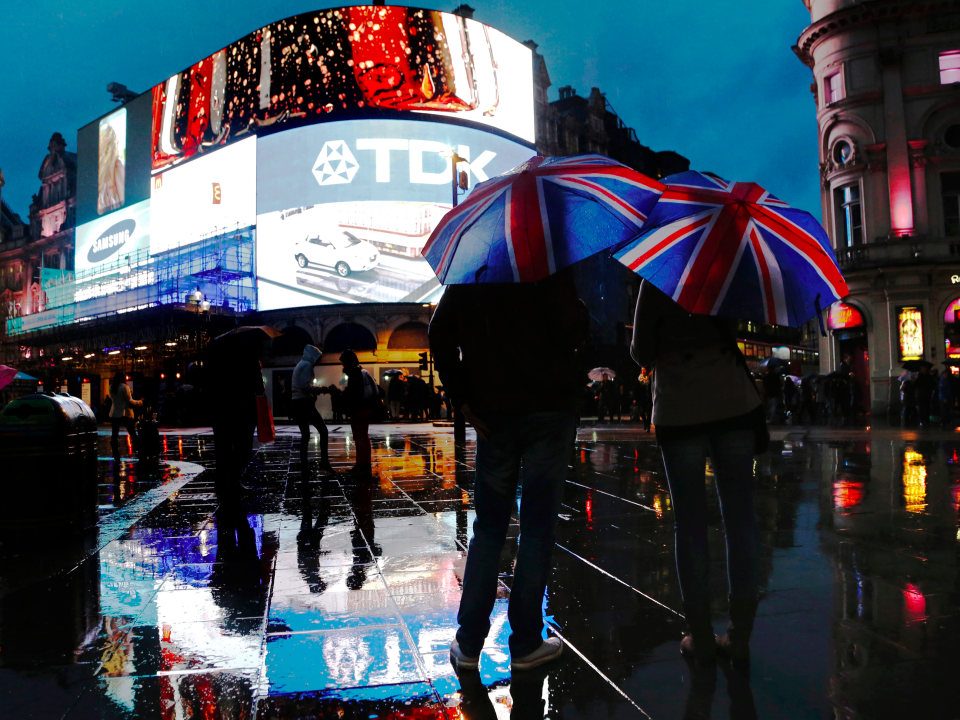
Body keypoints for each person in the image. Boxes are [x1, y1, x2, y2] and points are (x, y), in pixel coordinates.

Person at [429, 269, 589, 672]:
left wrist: (463, 397)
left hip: (494, 412)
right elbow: (573, 333)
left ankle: (467, 645)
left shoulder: (475, 271)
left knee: (489, 526)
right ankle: (526, 644)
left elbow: (440, 334)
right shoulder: (549, 266)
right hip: (550, 409)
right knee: (537, 527)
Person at [631, 280, 762, 666]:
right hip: (733, 403)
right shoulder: (727, 265)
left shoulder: (657, 272)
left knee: (689, 524)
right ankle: (739, 635)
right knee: (741, 520)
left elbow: (641, 349)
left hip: (679, 405)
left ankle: (701, 636)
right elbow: (734, 328)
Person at [205, 332, 265, 498]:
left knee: (222, 444)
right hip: (242, 404)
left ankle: (221, 481)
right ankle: (234, 479)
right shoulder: (248, 349)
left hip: (219, 404)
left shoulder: (215, 350)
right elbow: (258, 385)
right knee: (243, 444)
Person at [291, 344, 335, 475]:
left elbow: (300, 387)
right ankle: (324, 462)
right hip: (304, 404)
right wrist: (323, 389)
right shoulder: (307, 365)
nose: (318, 361)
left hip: (297, 404)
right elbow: (305, 386)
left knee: (305, 435)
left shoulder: (300, 364)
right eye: (317, 358)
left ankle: (304, 466)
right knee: (323, 430)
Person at [340, 350, 379, 475]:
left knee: (359, 437)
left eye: (344, 363)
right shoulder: (361, 371)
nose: (343, 366)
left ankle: (361, 465)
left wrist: (346, 400)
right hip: (366, 407)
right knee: (364, 436)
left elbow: (355, 394)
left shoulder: (354, 373)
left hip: (359, 409)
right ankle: (365, 463)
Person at [108, 370, 142, 459]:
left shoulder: (111, 387)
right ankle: (140, 453)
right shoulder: (124, 387)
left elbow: (118, 399)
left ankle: (116, 455)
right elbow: (129, 401)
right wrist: (140, 402)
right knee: (133, 434)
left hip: (114, 413)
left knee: (114, 435)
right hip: (125, 413)